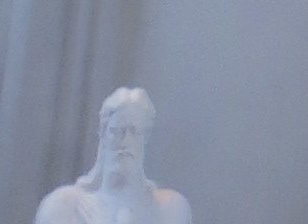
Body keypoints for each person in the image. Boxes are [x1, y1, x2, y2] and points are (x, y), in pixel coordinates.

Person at [35, 88, 191, 224]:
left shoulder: (170, 208)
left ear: (146, 137)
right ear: (103, 133)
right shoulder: (64, 206)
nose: (125, 141)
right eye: (117, 131)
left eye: (134, 132)